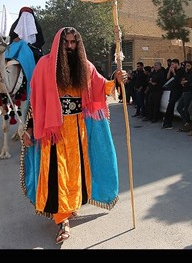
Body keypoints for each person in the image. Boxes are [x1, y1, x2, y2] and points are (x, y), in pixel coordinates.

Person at [20, 27, 123, 244]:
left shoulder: (85, 66)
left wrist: (118, 79)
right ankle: (63, 220)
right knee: (57, 175)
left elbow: (102, 87)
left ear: (78, 44)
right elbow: (35, 102)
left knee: (75, 175)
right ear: (59, 43)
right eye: (66, 42)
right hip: (53, 132)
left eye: (73, 43)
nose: (69, 46)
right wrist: (28, 129)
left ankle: (70, 207)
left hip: (78, 131)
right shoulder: (44, 65)